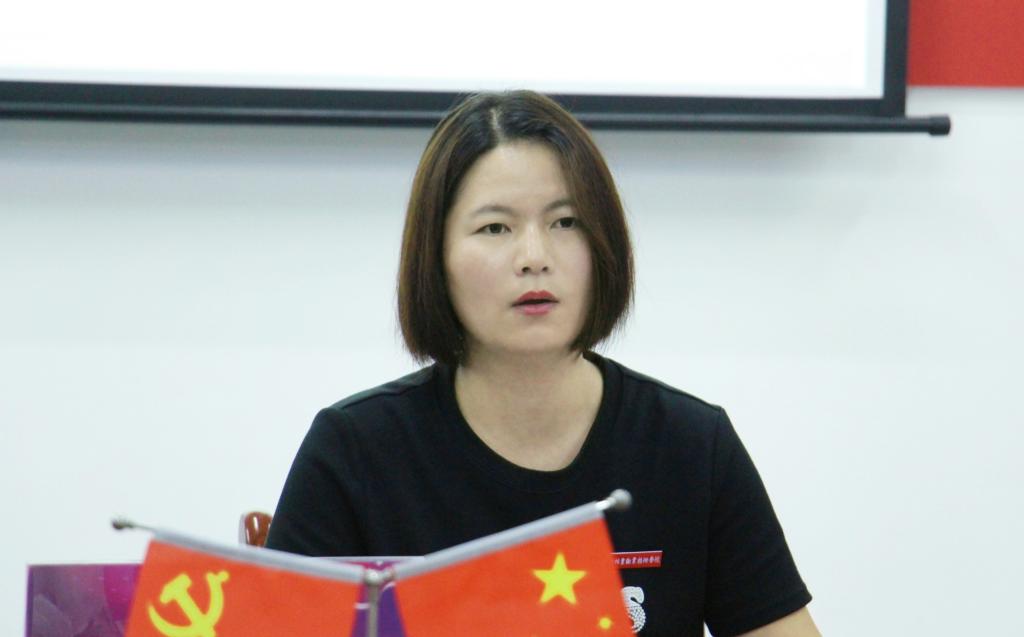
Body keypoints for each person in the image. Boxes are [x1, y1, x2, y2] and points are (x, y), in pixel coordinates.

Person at [266, 90, 820, 636]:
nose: (534, 257)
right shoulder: (355, 451)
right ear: (435, 258)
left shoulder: (690, 444)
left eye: (565, 222)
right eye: (495, 228)